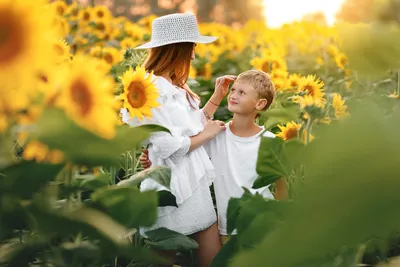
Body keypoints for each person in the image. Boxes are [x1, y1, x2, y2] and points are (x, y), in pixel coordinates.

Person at [120, 13, 236, 267]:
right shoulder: (152, 89)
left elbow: (191, 128)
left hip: (191, 182)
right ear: (177, 50)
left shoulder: (173, 86)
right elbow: (168, 146)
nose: (194, 56)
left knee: (207, 255)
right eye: (192, 48)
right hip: (170, 187)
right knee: (165, 257)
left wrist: (217, 96)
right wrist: (207, 135)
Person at [139, 70, 288, 244]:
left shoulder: (271, 142)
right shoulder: (216, 135)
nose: (233, 95)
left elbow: (282, 186)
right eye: (233, 90)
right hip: (227, 228)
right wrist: (152, 164)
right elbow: (184, 157)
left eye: (242, 92)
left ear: (260, 104)